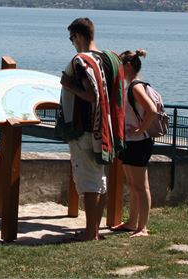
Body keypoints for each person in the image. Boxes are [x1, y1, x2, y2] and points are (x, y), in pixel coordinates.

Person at [59, 17, 124, 241]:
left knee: (88, 182)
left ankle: (90, 233)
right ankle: (94, 230)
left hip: (84, 128)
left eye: (72, 38)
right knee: (99, 179)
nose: (72, 43)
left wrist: (68, 85)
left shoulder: (82, 61)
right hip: (105, 128)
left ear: (79, 36)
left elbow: (91, 95)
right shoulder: (108, 59)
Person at [111, 49, 157, 238]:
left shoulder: (136, 87)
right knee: (132, 184)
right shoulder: (131, 86)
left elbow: (151, 110)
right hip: (131, 141)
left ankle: (142, 227)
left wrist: (139, 129)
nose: (119, 70)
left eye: (121, 66)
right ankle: (132, 223)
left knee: (141, 186)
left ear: (128, 66)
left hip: (139, 142)